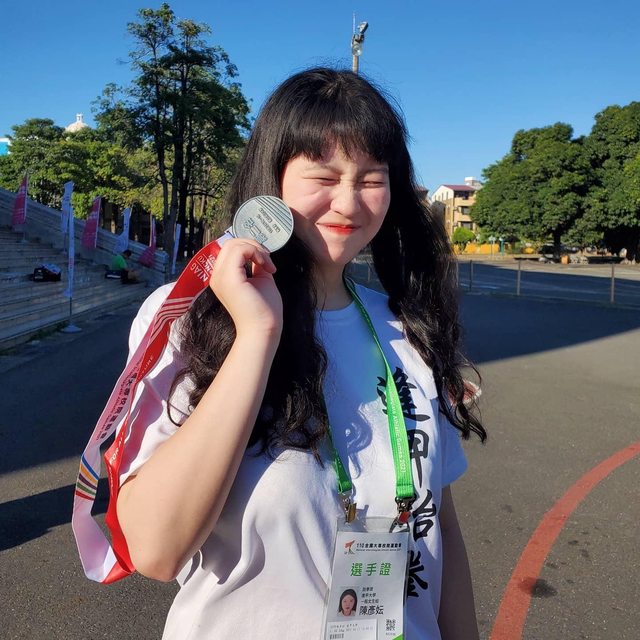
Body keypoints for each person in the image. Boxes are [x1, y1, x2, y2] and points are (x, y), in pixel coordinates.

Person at [116, 67, 486, 639]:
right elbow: (153, 549)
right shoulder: (190, 316)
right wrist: (257, 335)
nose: (349, 202)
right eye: (324, 176)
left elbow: (442, 527)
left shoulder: (408, 328)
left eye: (372, 178)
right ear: (274, 179)